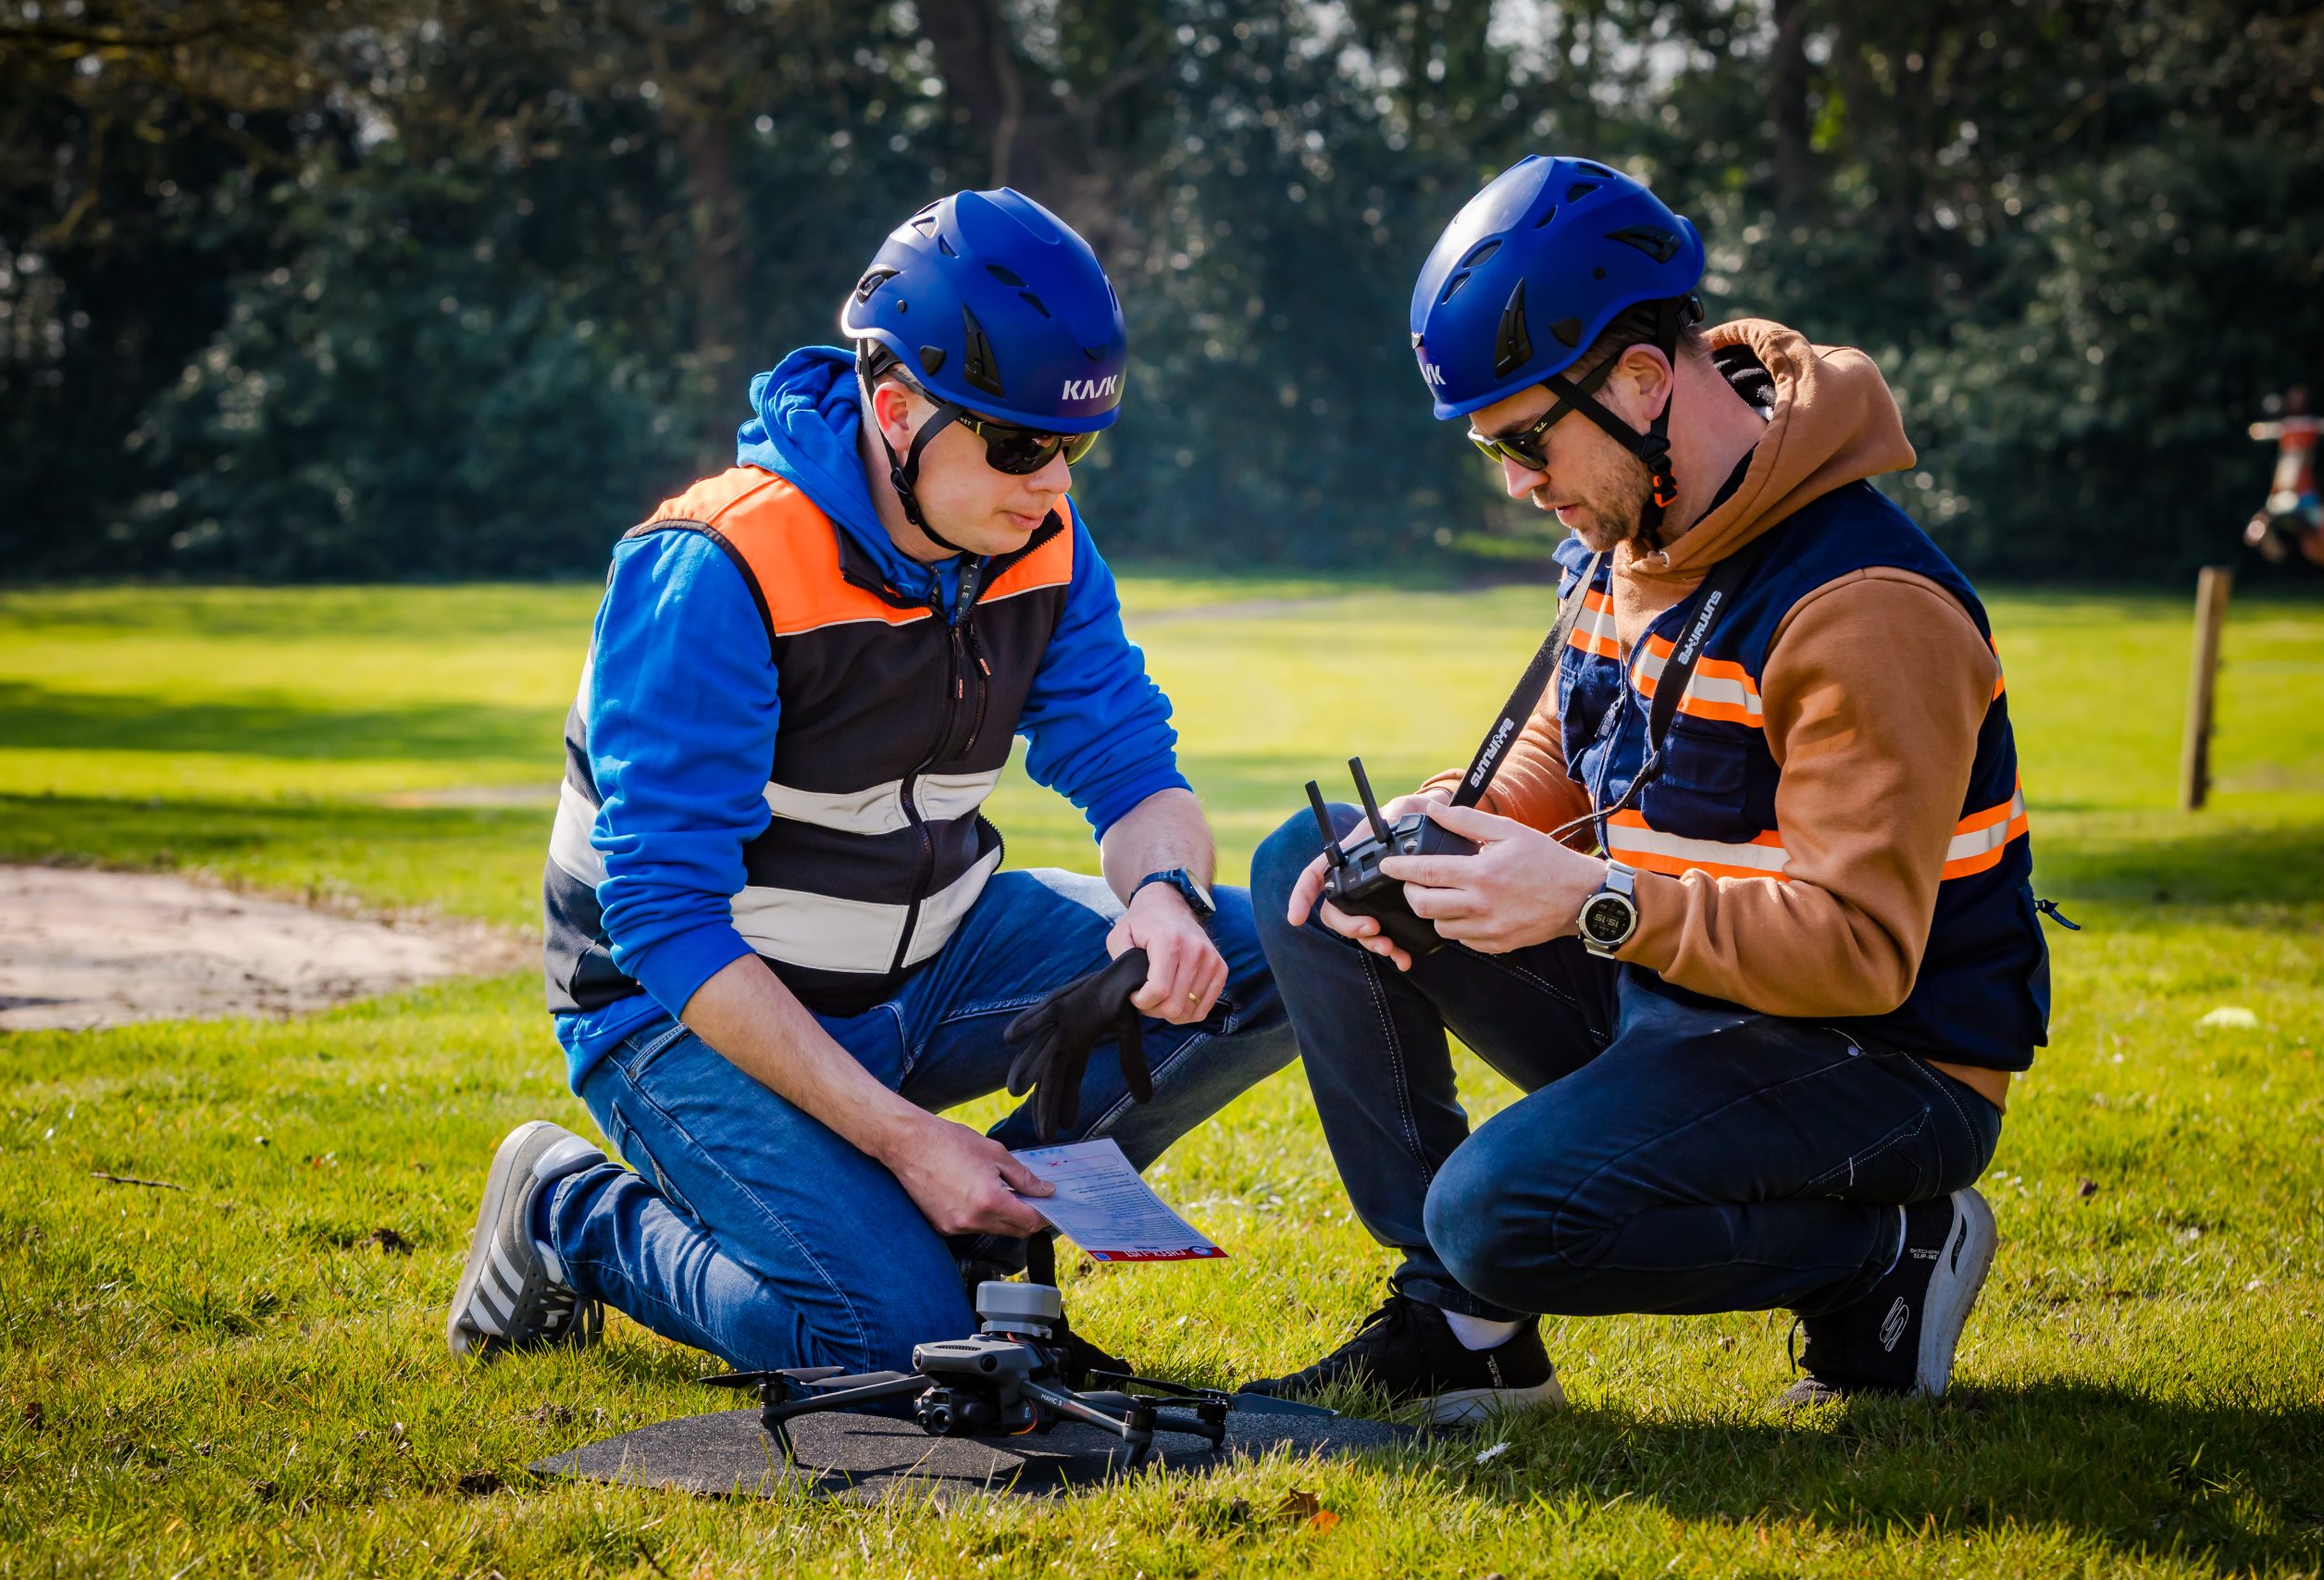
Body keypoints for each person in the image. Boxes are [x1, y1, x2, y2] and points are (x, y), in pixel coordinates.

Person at [1245, 156, 2055, 1422]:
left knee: (1499, 1207)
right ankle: (1463, 1327)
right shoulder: (1627, 537)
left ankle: (1887, 1255)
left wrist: (1592, 900)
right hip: (1685, 988)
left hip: (1882, 1063)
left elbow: (1861, 954)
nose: (1518, 482)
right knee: (1316, 859)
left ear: (1637, 379)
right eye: (1492, 449)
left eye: (1527, 438)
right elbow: (1566, 760)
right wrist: (1435, 831)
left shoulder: (1865, 608)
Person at [444, 188, 1295, 1376]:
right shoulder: (714, 567)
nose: (1052, 482)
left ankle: (987, 1227)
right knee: (894, 1343)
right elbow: (661, 918)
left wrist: (1163, 895)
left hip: (940, 955)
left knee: (1270, 964)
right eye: (1014, 443)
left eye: (1073, 446)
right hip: (680, 1005)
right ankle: (568, 1214)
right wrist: (904, 1141)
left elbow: (1126, 765)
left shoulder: (1038, 536)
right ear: (895, 408)